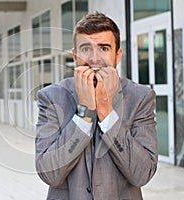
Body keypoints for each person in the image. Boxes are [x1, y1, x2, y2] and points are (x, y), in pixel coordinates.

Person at [35, 11, 158, 200]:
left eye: (104, 48)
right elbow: (49, 173)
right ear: (75, 56)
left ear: (118, 55)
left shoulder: (140, 98)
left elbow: (142, 174)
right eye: (86, 48)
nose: (94, 59)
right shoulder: (51, 97)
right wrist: (83, 113)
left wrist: (106, 111)